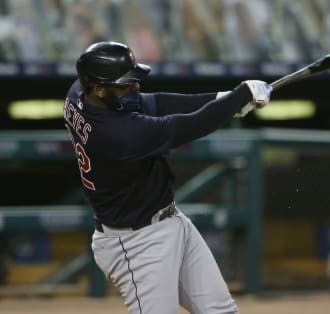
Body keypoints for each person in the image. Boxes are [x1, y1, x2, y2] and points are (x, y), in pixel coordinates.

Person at [63, 41, 271, 314]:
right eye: (125, 84)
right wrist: (237, 98)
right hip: (136, 243)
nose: (134, 88)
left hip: (170, 222)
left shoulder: (79, 93)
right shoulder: (117, 135)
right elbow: (189, 126)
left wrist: (224, 99)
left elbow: (157, 103)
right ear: (99, 88)